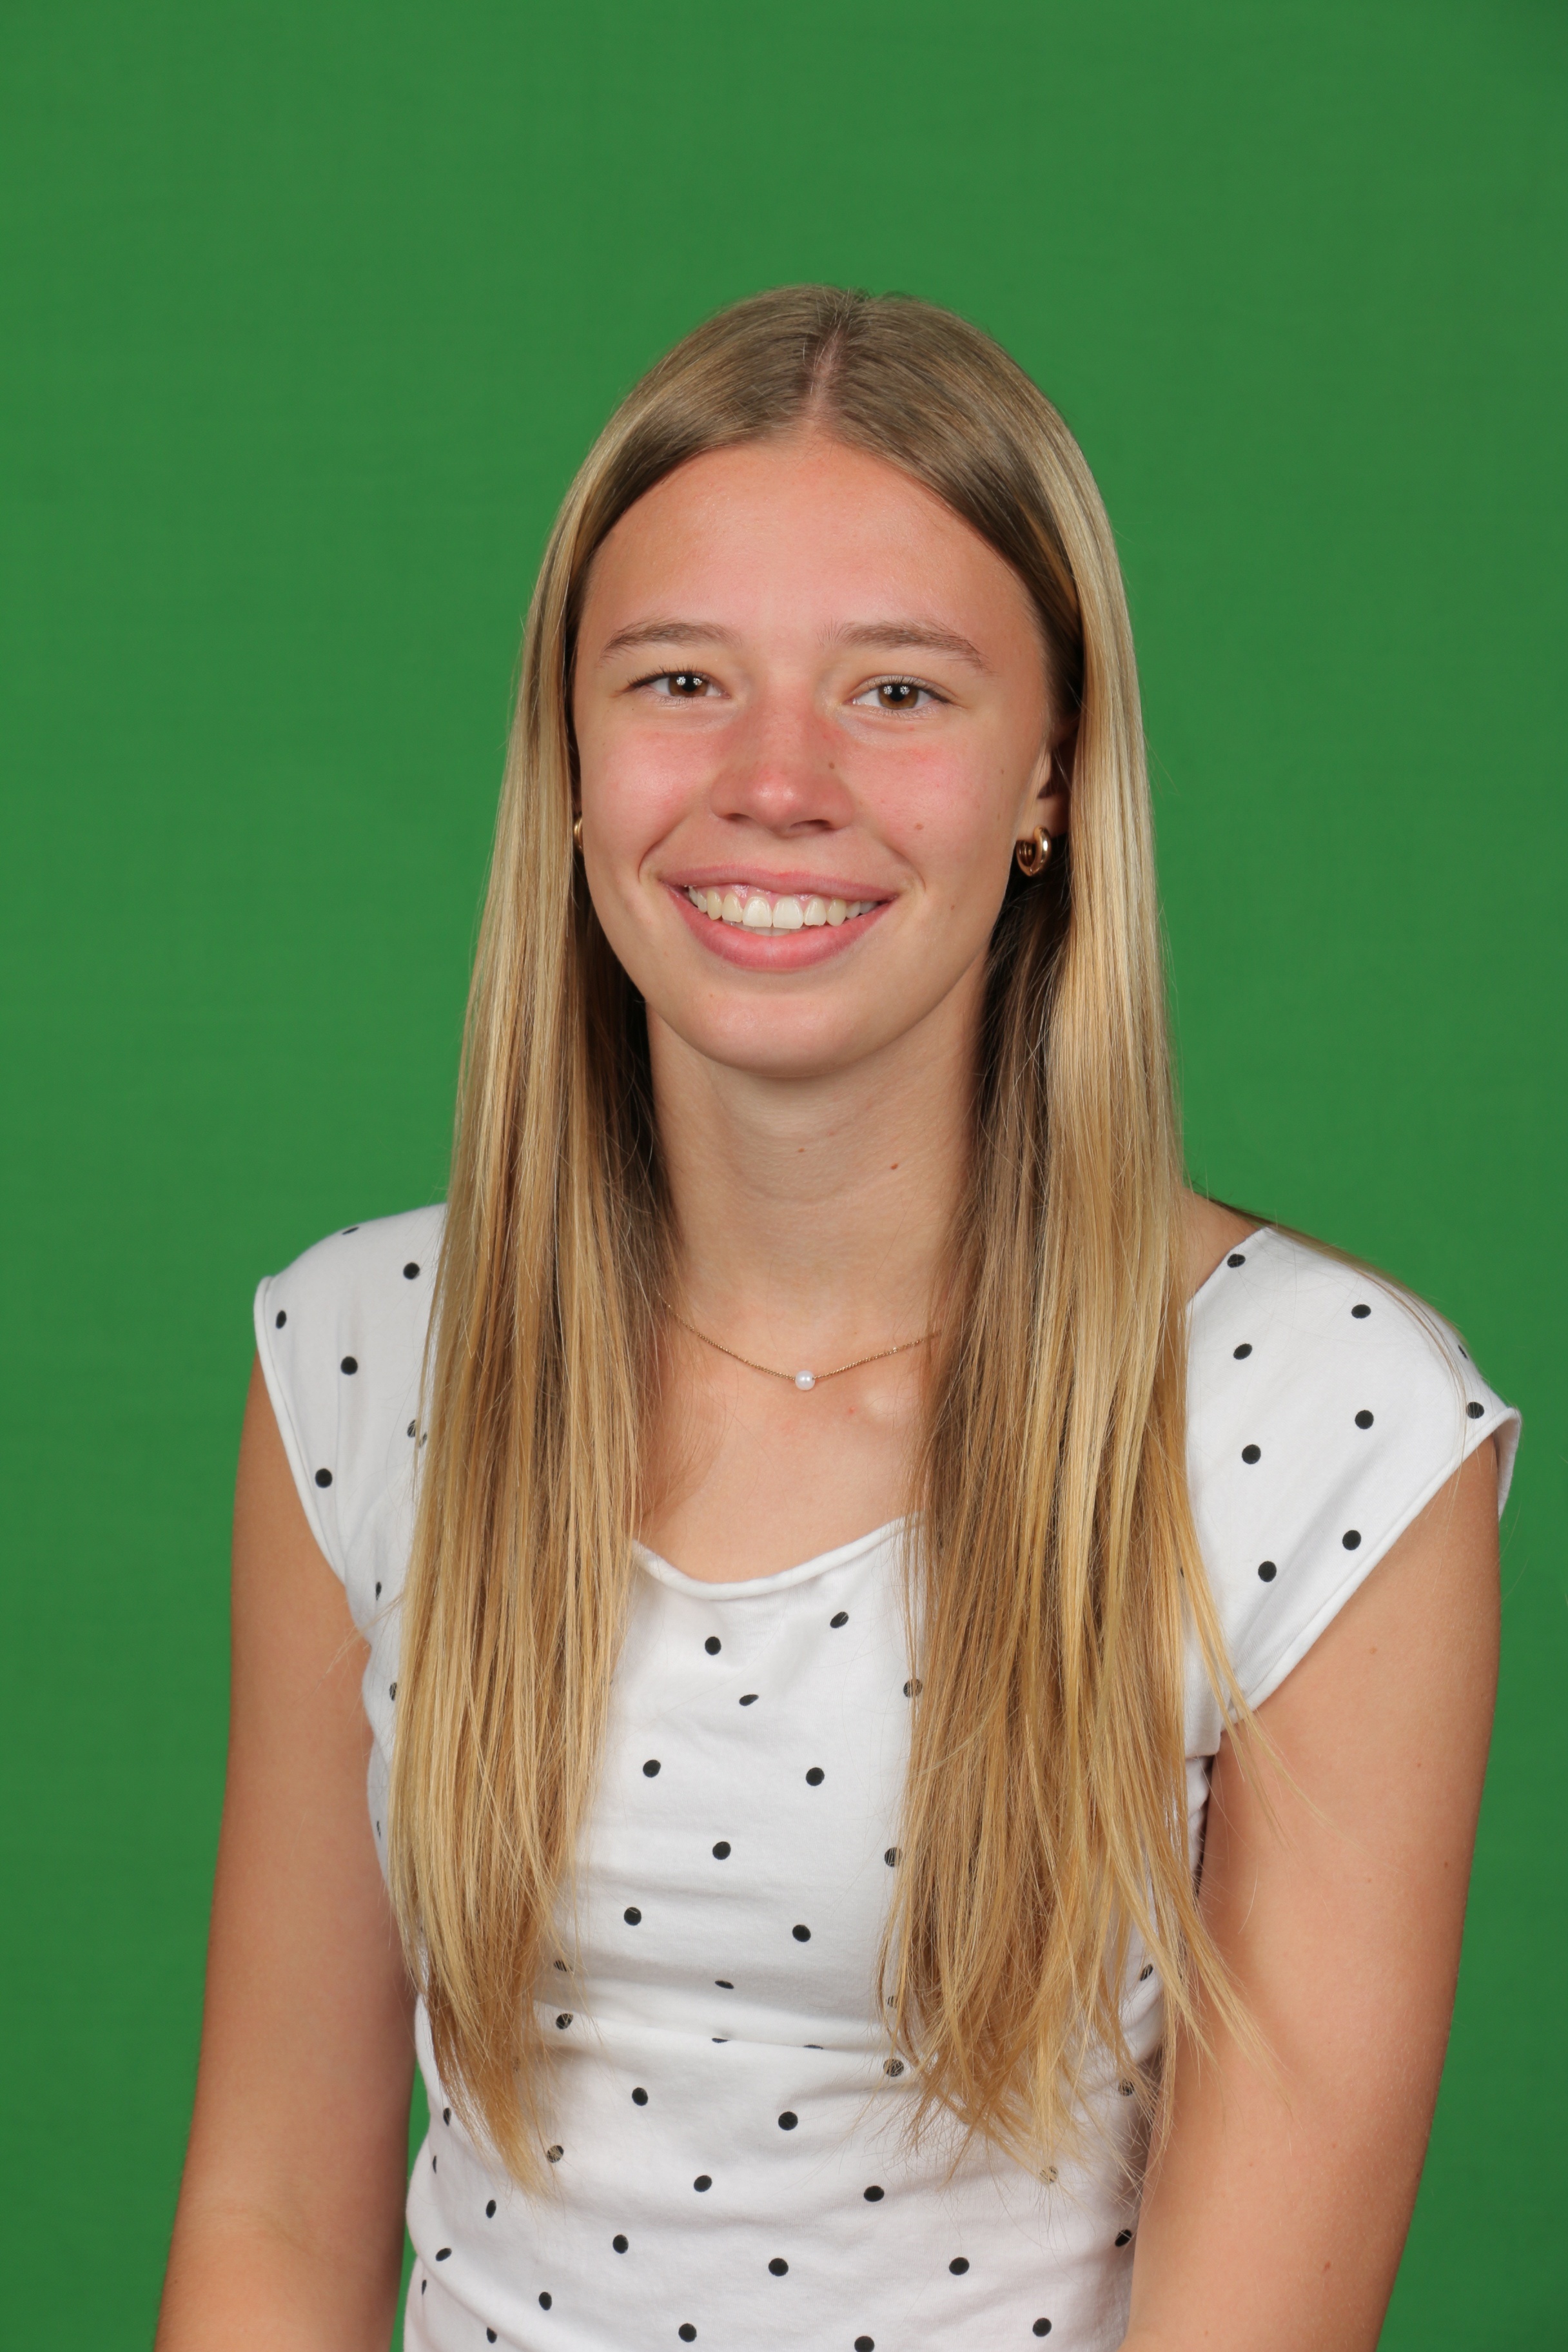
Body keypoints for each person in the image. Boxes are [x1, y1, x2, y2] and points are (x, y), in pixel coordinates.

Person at [156, 286, 1518, 2352]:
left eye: (897, 690)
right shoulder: (363, 1355)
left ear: (1052, 772)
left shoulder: (1328, 1432)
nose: (775, 780)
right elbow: (270, 2204)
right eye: (680, 679)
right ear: (572, 761)